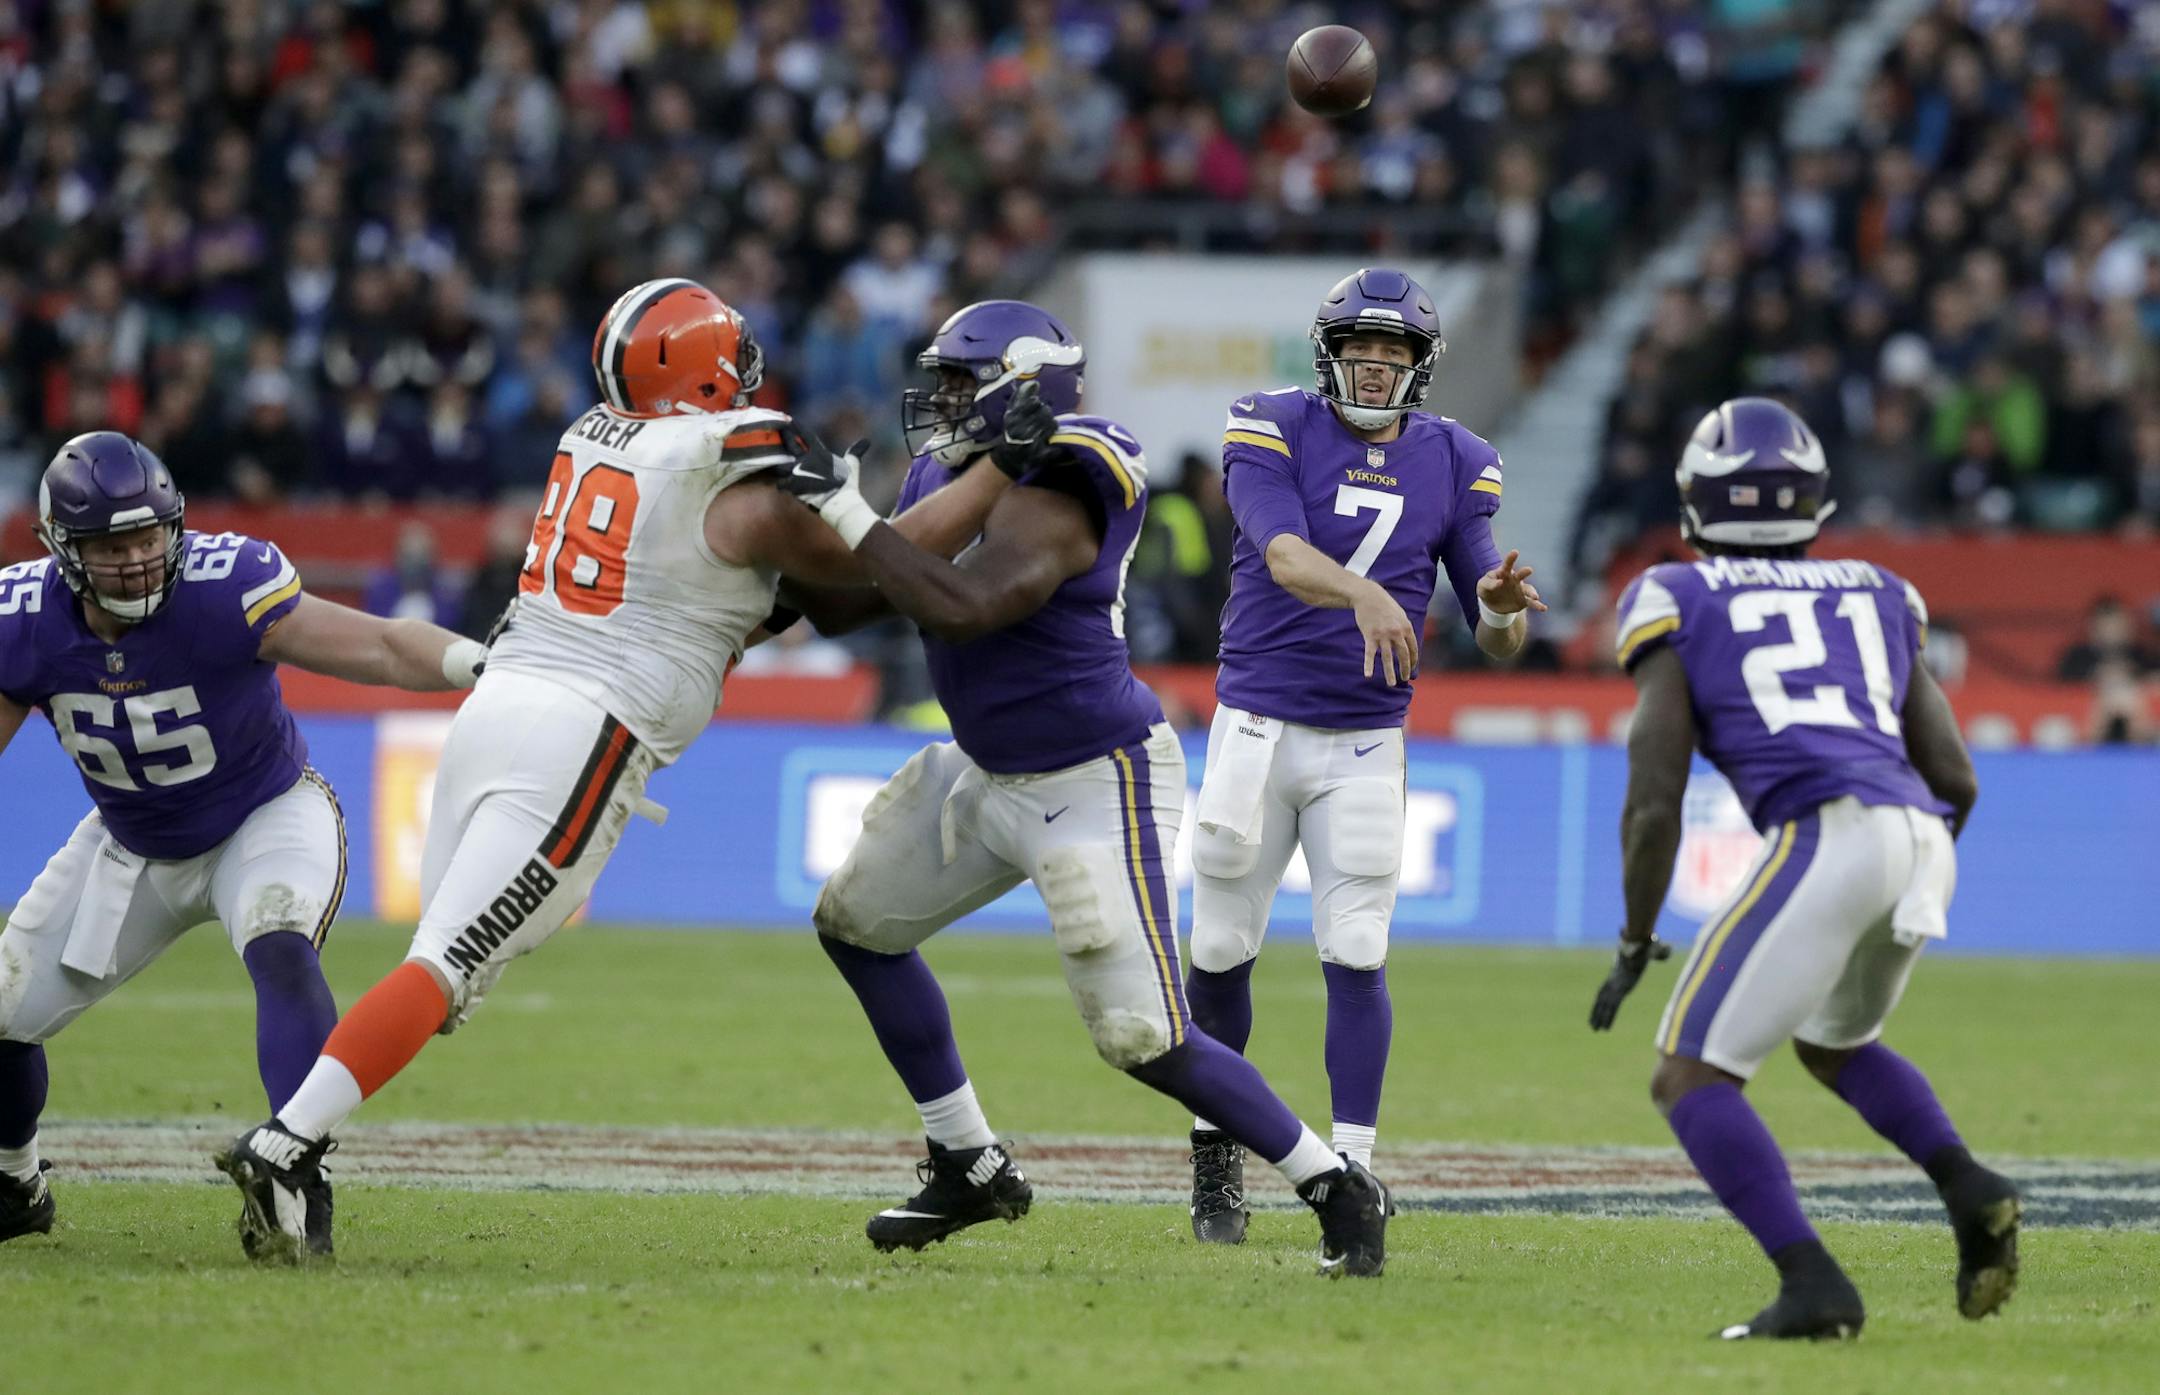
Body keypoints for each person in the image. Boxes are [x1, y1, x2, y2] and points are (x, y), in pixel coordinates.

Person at [214, 279, 1014, 1264]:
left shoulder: (589, 436)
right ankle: (288, 1144)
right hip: (584, 734)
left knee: (441, 970)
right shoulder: (737, 464)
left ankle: (294, 1138)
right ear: (706, 371)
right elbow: (887, 562)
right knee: (447, 969)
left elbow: (726, 593)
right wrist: (995, 471)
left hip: (496, 710)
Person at [780, 300, 1392, 1277]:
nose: (940, 403)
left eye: (958, 384)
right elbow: (850, 609)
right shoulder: (955, 468)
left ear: (1024, 390)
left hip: (1092, 777)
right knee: (858, 926)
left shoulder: (1077, 470)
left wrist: (850, 518)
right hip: (985, 768)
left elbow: (968, 606)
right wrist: (790, 530)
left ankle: (1333, 1184)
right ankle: (968, 1161)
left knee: (1148, 1040)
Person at [1588, 397, 2020, 1339]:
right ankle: (1970, 1185)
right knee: (1832, 1043)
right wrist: (1912, 870)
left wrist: (1634, 934)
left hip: (1830, 830)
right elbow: (1956, 775)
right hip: (1919, 830)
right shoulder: (1880, 589)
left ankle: (1814, 1283)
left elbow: (1656, 797)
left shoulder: (1674, 594)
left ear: (1696, 501)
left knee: (1689, 1077)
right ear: (1814, 502)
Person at [0, 431, 486, 1251]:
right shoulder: (24, 619)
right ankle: (15, 1180)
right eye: (113, 544)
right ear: (62, 548)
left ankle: (297, 1175)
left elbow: (378, 642)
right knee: (6, 1016)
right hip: (129, 844)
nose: (139, 558)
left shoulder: (227, 588)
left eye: (150, 535)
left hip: (264, 814)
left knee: (280, 942)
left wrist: (481, 665)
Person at [1181, 268, 1546, 1244]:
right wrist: (1370, 594)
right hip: (1257, 729)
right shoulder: (1272, 424)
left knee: (1358, 950)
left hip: (1365, 743)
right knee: (1218, 952)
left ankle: (1356, 1172)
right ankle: (1217, 1158)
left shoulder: (1458, 458)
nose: (1374, 369)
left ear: (1420, 367)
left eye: (1393, 355)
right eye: (1359, 351)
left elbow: (1493, 630)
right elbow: (1283, 551)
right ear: (1328, 354)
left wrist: (1504, 616)